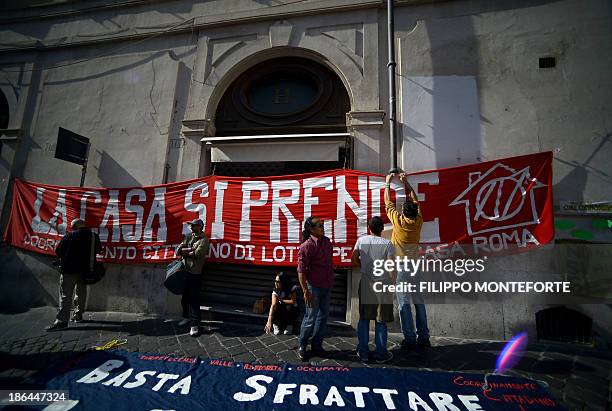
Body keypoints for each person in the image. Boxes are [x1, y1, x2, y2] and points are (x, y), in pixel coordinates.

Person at [385, 171, 431, 350]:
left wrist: (388, 183)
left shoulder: (398, 222)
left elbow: (388, 203)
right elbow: (416, 200)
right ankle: (424, 337)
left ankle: (410, 339)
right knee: (418, 300)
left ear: (403, 213)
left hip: (403, 267)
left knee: (404, 301)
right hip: (415, 266)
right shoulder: (418, 220)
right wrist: (407, 183)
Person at [351, 216, 395, 363]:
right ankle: (381, 354)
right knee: (380, 320)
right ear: (382, 228)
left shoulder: (361, 240)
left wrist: (362, 266)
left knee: (363, 318)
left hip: (366, 282)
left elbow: (354, 258)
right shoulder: (388, 244)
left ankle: (363, 352)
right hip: (382, 284)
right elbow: (390, 268)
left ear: (369, 228)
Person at [46, 219, 101, 331]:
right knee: (81, 293)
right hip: (86, 271)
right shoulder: (94, 236)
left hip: (69, 270)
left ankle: (62, 321)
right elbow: (98, 250)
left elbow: (58, 251)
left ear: (74, 227)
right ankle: (78, 315)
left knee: (66, 295)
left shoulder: (69, 236)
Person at [296, 216, 334, 361]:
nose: (322, 227)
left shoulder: (327, 242)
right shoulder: (307, 246)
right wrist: (306, 291)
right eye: (319, 225)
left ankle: (317, 346)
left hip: (326, 285)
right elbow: (301, 271)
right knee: (310, 317)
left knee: (323, 317)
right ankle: (302, 345)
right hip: (314, 287)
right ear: (311, 229)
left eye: (323, 224)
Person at [176, 218, 209, 337]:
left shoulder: (204, 240)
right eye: (191, 225)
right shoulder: (188, 237)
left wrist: (188, 251)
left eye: (194, 225)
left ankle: (195, 324)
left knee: (194, 299)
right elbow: (178, 250)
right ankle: (186, 317)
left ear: (200, 227)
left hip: (195, 273)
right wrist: (189, 250)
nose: (191, 227)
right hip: (184, 271)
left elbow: (197, 254)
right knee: (184, 297)